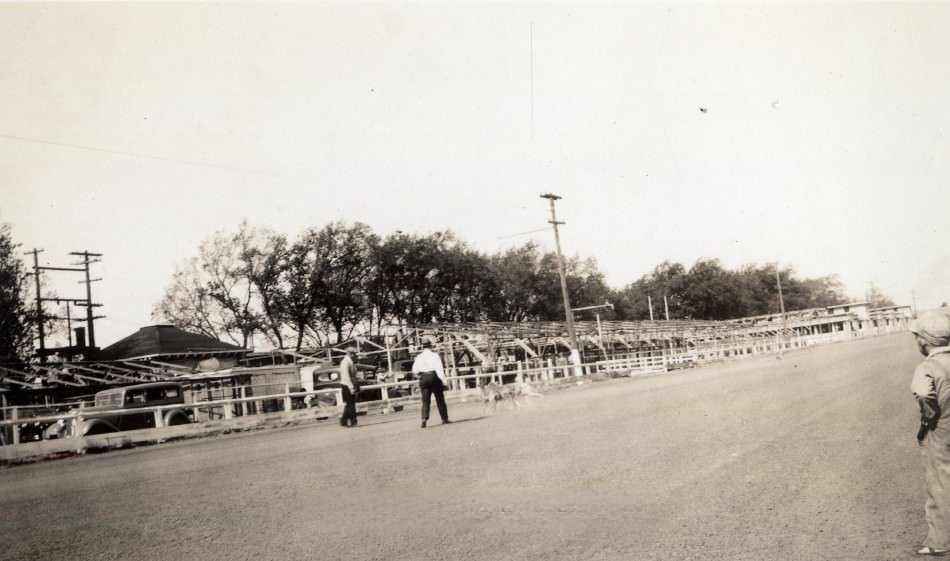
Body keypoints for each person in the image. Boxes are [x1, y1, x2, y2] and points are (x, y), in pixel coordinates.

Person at [910, 309, 950, 555]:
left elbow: (924, 394)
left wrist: (930, 414)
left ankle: (939, 542)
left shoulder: (926, 367)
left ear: (924, 340)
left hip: (940, 429)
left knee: (939, 483)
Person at [412, 339, 450, 428]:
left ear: (422, 347)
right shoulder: (435, 356)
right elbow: (439, 369)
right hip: (434, 376)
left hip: (424, 377)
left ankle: (424, 418)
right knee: (440, 399)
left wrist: (420, 375)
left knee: (425, 400)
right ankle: (444, 418)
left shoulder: (419, 357)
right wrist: (444, 381)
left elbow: (415, 370)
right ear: (431, 346)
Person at [338, 346, 360, 428]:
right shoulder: (345, 362)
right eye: (354, 354)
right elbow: (346, 376)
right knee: (350, 404)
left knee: (350, 404)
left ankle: (343, 421)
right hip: (347, 385)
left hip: (349, 384)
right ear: (350, 353)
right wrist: (351, 387)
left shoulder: (349, 361)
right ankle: (353, 421)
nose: (356, 356)